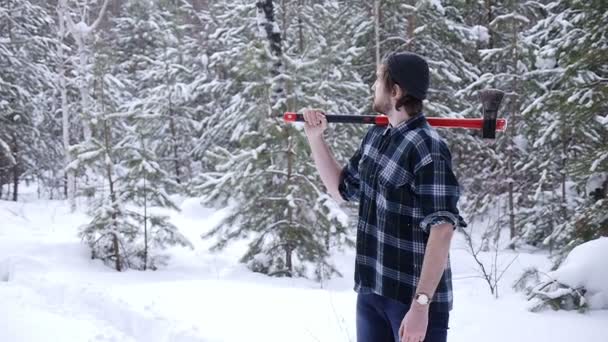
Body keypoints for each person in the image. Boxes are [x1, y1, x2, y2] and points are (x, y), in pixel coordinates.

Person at [303, 52, 465, 342]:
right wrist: (316, 138)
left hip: (411, 302)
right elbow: (341, 189)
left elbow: (442, 230)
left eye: (378, 80)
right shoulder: (376, 136)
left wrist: (421, 305)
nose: (373, 87)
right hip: (372, 292)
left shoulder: (429, 148)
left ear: (396, 91)